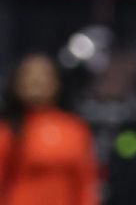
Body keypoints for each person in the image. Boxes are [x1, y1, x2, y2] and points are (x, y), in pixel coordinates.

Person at [0, 52, 100, 205]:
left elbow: (85, 182)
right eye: (29, 74)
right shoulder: (7, 131)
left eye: (44, 74)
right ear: (16, 83)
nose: (37, 80)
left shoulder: (75, 129)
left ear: (57, 82)